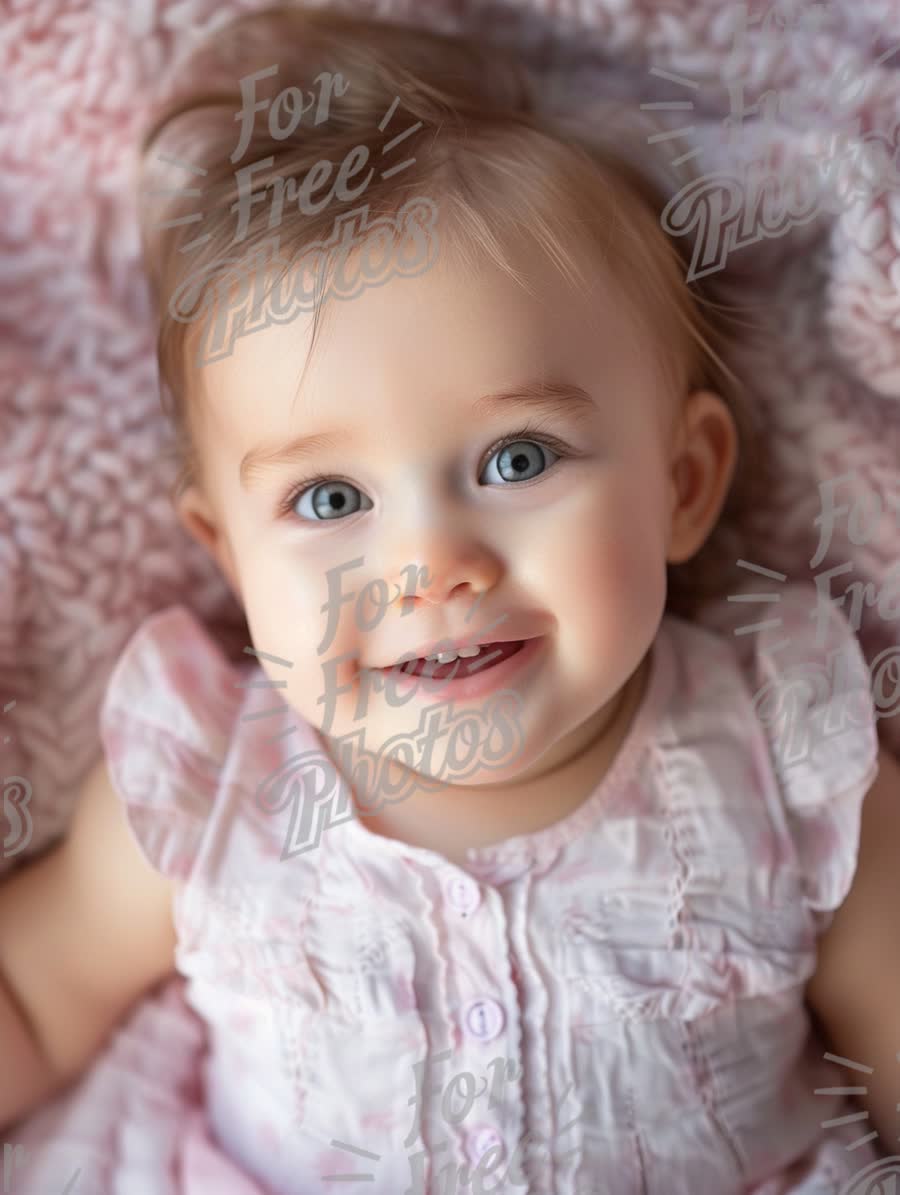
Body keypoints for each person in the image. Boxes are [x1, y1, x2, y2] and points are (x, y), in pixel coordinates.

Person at [2, 6, 900, 1192]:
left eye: (518, 461)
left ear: (683, 484)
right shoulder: (209, 788)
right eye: (328, 499)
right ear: (228, 556)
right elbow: (30, 998)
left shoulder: (793, 771)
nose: (432, 564)